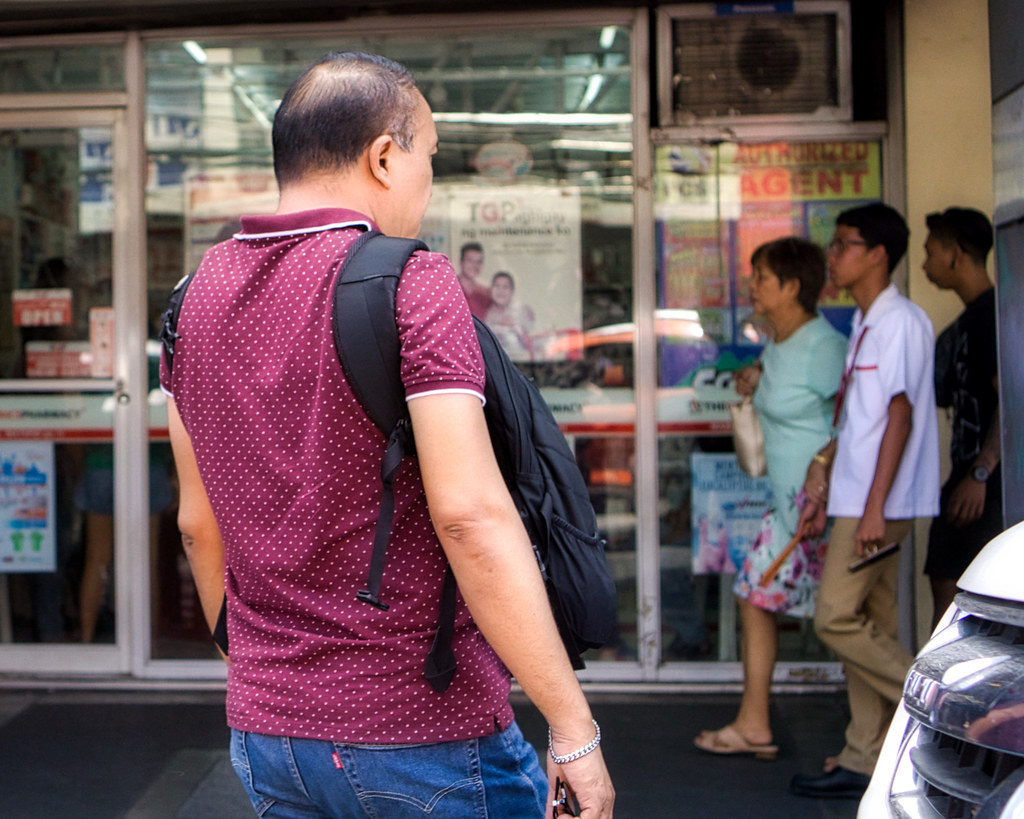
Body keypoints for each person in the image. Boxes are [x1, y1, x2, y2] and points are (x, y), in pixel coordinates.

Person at [162, 52, 613, 818]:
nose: (427, 186)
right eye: (427, 160)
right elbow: (469, 516)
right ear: (382, 156)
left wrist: (267, 678)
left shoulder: (191, 298)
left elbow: (198, 525)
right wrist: (572, 727)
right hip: (421, 730)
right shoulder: (409, 280)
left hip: (268, 733)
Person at [790, 203, 940, 799]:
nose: (834, 255)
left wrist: (874, 506)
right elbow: (861, 420)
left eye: (845, 244)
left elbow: (899, 415)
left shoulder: (900, 320)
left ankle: (940, 707)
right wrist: (824, 474)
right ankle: (866, 757)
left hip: (880, 502)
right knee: (873, 622)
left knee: (835, 618)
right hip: (857, 495)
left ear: (878, 253)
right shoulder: (866, 321)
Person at [695, 237, 846, 759]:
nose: (751, 286)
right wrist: (757, 378)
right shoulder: (780, 342)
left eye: (761, 277)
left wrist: (824, 476)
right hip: (789, 505)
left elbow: (854, 422)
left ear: (792, 286)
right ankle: (755, 721)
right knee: (759, 596)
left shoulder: (824, 346)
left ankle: (884, 731)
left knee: (846, 621)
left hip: (817, 510)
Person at [921, 207, 1002, 628]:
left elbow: (1010, 397)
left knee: (956, 601)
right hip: (968, 476)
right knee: (948, 589)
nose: (924, 263)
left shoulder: (992, 318)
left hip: (985, 485)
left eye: (931, 251)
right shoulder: (968, 322)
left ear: (956, 254)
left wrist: (982, 472)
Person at [484, 270, 535, 361]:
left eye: (505, 287)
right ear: (491, 289)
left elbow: (529, 344)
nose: (501, 291)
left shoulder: (521, 311)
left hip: (520, 362)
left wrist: (514, 326)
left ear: (512, 291)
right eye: (497, 286)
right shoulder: (487, 314)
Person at [457, 240, 491, 317]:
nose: (474, 265)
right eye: (470, 260)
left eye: (479, 262)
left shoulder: (485, 294)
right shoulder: (450, 289)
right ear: (461, 262)